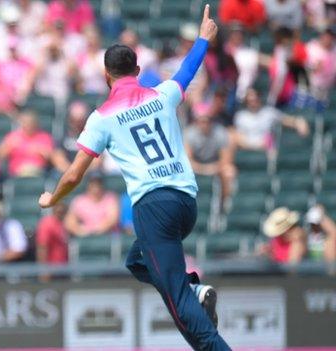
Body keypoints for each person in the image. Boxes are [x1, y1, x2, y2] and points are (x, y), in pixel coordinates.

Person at [38, 6, 230, 349]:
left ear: (106, 74)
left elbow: (73, 174)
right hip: (186, 202)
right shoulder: (162, 94)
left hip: (153, 207)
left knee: (178, 303)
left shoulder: (102, 118)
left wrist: (52, 199)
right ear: (138, 70)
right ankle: (195, 289)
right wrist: (203, 39)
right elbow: (189, 69)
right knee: (137, 261)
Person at [184, 110, 236, 205]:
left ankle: (224, 205)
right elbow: (187, 161)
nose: (205, 124)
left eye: (208, 120)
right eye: (201, 121)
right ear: (196, 121)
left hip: (216, 166)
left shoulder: (221, 132)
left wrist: (213, 168)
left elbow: (226, 160)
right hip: (197, 167)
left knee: (229, 172)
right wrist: (206, 169)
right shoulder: (189, 133)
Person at [233, 88, 309, 153]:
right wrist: (257, 146)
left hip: (267, 151)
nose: (253, 102)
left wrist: (299, 122)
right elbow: (238, 138)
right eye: (250, 100)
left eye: (255, 99)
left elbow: (288, 120)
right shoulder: (240, 116)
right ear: (246, 101)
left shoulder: (269, 112)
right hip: (248, 150)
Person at [0, 110, 55, 176]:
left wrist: (40, 150)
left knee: (30, 170)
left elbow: (51, 156)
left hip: (39, 170)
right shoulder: (13, 136)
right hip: (16, 171)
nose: (27, 125)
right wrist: (9, 146)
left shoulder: (44, 137)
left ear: (35, 124)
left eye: (30, 123)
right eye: (25, 122)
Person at [305, 205, 336, 271]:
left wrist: (322, 216)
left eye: (316, 223)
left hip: (324, 268)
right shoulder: (306, 235)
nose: (314, 226)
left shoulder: (328, 238)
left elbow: (333, 231)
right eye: (312, 223)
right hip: (310, 268)